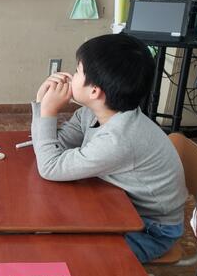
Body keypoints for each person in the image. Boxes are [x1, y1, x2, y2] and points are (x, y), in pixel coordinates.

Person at [31, 34, 186, 262]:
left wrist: (47, 111)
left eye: (77, 71)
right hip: (117, 206)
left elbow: (50, 167)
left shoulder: (118, 139)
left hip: (149, 230)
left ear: (95, 91)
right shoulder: (93, 112)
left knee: (63, 252)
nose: (71, 76)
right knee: (53, 227)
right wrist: (41, 104)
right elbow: (57, 146)